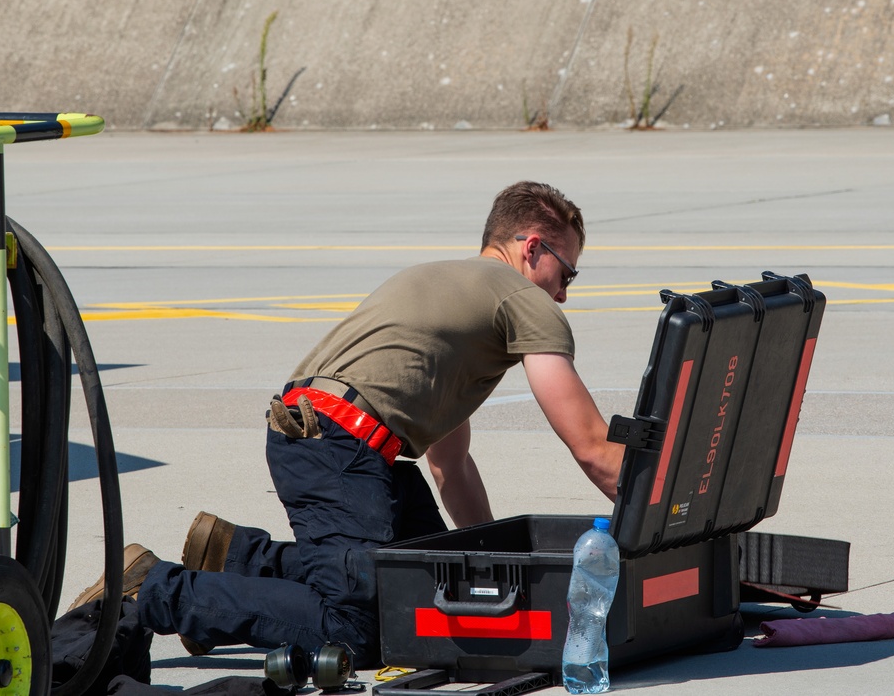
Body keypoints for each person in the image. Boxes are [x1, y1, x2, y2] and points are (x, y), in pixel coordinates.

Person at [71, 180, 624, 668]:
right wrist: (655, 508)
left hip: (341, 444)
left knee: (419, 600)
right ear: (532, 248)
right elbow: (593, 447)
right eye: (565, 271)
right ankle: (153, 591)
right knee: (357, 629)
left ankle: (235, 557)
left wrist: (498, 569)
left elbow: (448, 464)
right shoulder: (523, 300)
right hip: (338, 446)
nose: (563, 292)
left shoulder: (461, 295)